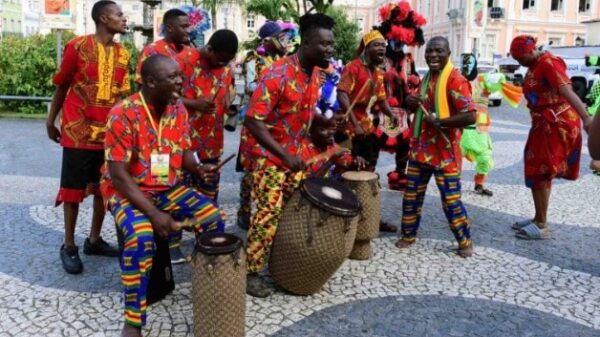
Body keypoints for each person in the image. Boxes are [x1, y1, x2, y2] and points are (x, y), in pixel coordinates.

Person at [101, 55, 225, 337]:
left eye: (180, 75)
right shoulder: (123, 113)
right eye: (173, 77)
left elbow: (181, 151)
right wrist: (155, 214)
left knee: (212, 218)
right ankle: (133, 321)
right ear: (151, 82)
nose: (181, 81)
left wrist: (198, 167)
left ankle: (210, 289)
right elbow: (118, 174)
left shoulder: (177, 108)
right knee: (141, 238)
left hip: (166, 188)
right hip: (127, 190)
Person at [239, 13, 335, 297]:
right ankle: (251, 271)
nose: (330, 49)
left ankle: (286, 259)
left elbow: (302, 111)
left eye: (331, 44)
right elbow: (253, 121)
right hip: (268, 155)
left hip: (296, 151)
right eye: (324, 44)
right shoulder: (277, 73)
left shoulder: (316, 73)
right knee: (269, 212)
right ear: (305, 44)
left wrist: (325, 124)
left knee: (308, 202)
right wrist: (284, 155)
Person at [46, 0, 129, 274]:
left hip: (108, 135)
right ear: (104, 18)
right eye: (119, 14)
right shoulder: (77, 46)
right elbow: (62, 85)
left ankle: (94, 240)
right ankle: (69, 245)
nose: (123, 18)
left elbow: (123, 97)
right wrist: (51, 120)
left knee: (103, 188)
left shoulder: (123, 54)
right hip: (77, 131)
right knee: (72, 190)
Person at [394, 36, 476, 258]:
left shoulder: (456, 80)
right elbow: (420, 103)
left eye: (438, 51)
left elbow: (470, 115)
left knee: (451, 200)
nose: (432, 55)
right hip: (421, 149)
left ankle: (464, 241)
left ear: (449, 53)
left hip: (445, 152)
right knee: (411, 195)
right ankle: (408, 235)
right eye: (429, 51)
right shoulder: (427, 77)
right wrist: (410, 101)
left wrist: (441, 122)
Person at [509, 35, 593, 239]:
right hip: (543, 125)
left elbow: (567, 91)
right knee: (535, 169)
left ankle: (542, 225)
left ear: (530, 51)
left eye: (520, 58)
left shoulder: (549, 63)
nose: (519, 63)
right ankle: (538, 217)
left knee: (542, 171)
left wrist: (587, 119)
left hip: (556, 125)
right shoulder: (535, 65)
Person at [133, 8, 195, 264]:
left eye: (189, 26)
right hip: (153, 132)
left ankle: (173, 244)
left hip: (179, 125)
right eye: (183, 26)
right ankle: (148, 243)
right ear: (169, 27)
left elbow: (190, 87)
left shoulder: (192, 53)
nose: (189, 30)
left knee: (174, 185)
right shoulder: (151, 50)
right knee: (152, 187)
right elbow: (142, 89)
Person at [337, 29, 399, 233]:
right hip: (349, 131)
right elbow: (342, 95)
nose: (382, 47)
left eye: (383, 44)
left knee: (368, 176)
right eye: (377, 44)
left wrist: (391, 115)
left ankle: (370, 219)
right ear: (367, 48)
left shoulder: (378, 72)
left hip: (368, 130)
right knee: (347, 176)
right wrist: (354, 122)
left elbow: (381, 100)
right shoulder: (353, 67)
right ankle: (343, 221)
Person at [236, 21, 291, 230]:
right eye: (280, 36)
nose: (284, 40)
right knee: (249, 169)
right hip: (256, 121)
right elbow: (250, 85)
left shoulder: (284, 59)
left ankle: (270, 211)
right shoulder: (254, 59)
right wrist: (272, 82)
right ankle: (244, 213)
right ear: (267, 40)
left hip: (277, 123)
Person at [182, 29, 238, 201]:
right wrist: (194, 104)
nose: (223, 64)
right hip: (183, 144)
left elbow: (226, 95)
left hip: (212, 144)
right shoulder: (183, 61)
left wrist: (229, 106)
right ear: (210, 49)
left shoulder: (226, 69)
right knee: (178, 201)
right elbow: (163, 97)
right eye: (220, 59)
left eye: (228, 61)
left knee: (208, 201)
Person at [459, 53, 494, 196]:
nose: (467, 68)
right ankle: (452, 185)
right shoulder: (457, 80)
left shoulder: (483, 81)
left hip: (479, 130)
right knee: (454, 160)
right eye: (464, 65)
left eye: (470, 64)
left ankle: (479, 184)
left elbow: (497, 85)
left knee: (485, 159)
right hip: (460, 128)